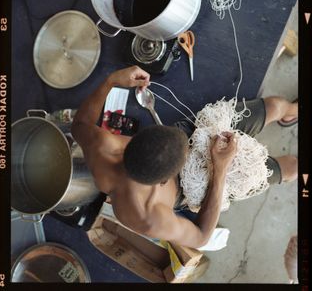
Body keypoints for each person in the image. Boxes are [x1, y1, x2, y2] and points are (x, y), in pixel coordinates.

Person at [71, 66, 298, 249]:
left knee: (272, 106)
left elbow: (79, 124)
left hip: (194, 138)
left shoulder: (103, 146)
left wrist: (111, 81)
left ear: (135, 140)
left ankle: (291, 112)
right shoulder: (148, 216)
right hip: (197, 182)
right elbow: (201, 237)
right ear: (163, 181)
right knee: (284, 169)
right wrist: (219, 169)